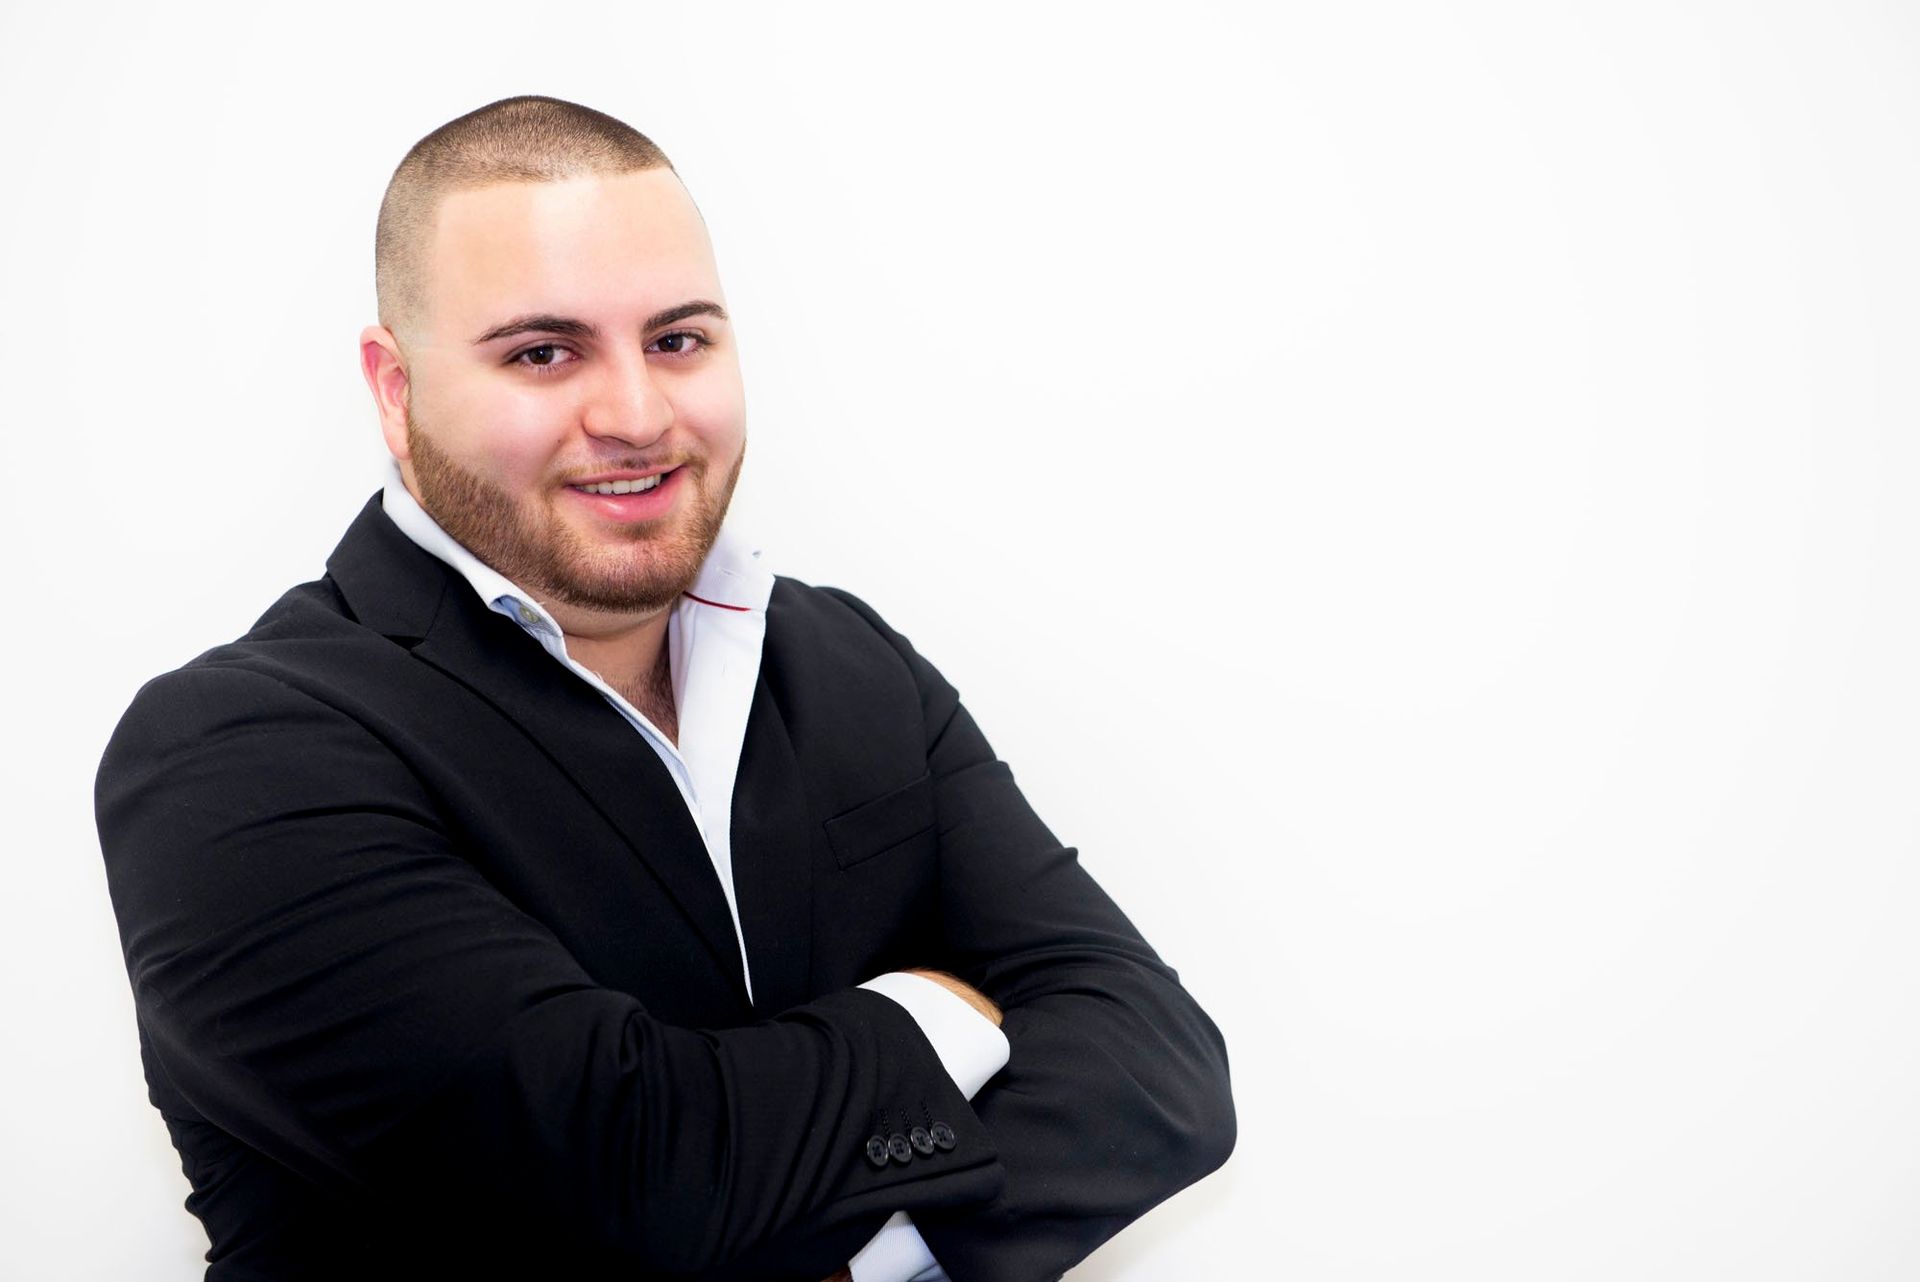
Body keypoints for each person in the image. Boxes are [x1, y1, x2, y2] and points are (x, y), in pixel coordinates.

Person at [96, 95, 1235, 1282]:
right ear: (395, 387)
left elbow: (1160, 1070)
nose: (636, 415)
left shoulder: (850, 663)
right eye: (543, 353)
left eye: (678, 340)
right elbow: (624, 1174)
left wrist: (851, 1260)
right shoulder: (231, 754)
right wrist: (940, 1009)